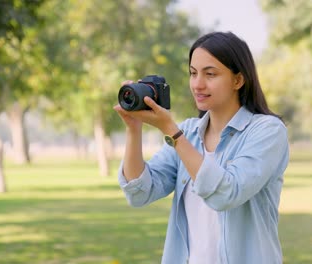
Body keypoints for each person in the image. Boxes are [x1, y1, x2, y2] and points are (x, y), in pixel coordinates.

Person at [113, 31, 289, 264]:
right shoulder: (188, 133)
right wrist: (133, 129)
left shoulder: (267, 131)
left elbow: (226, 193)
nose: (198, 84)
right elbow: (140, 192)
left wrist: (172, 132)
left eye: (210, 74)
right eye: (193, 73)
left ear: (238, 80)